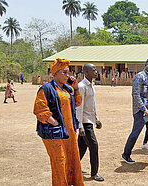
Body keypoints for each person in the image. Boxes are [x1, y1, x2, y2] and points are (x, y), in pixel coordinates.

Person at [33, 58, 84, 186]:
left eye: (69, 73)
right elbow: (40, 110)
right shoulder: (46, 89)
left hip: (70, 132)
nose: (68, 75)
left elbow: (77, 103)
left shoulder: (68, 89)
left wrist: (76, 88)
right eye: (64, 72)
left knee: (72, 158)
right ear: (55, 73)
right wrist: (54, 122)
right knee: (59, 161)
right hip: (55, 133)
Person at [76, 63, 104, 182]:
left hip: (90, 120)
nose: (96, 72)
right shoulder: (81, 86)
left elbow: (92, 105)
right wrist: (80, 125)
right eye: (93, 70)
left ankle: (72, 167)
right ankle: (94, 173)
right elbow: (79, 107)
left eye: (96, 70)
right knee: (94, 146)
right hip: (85, 123)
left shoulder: (91, 85)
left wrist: (96, 119)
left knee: (81, 148)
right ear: (86, 72)